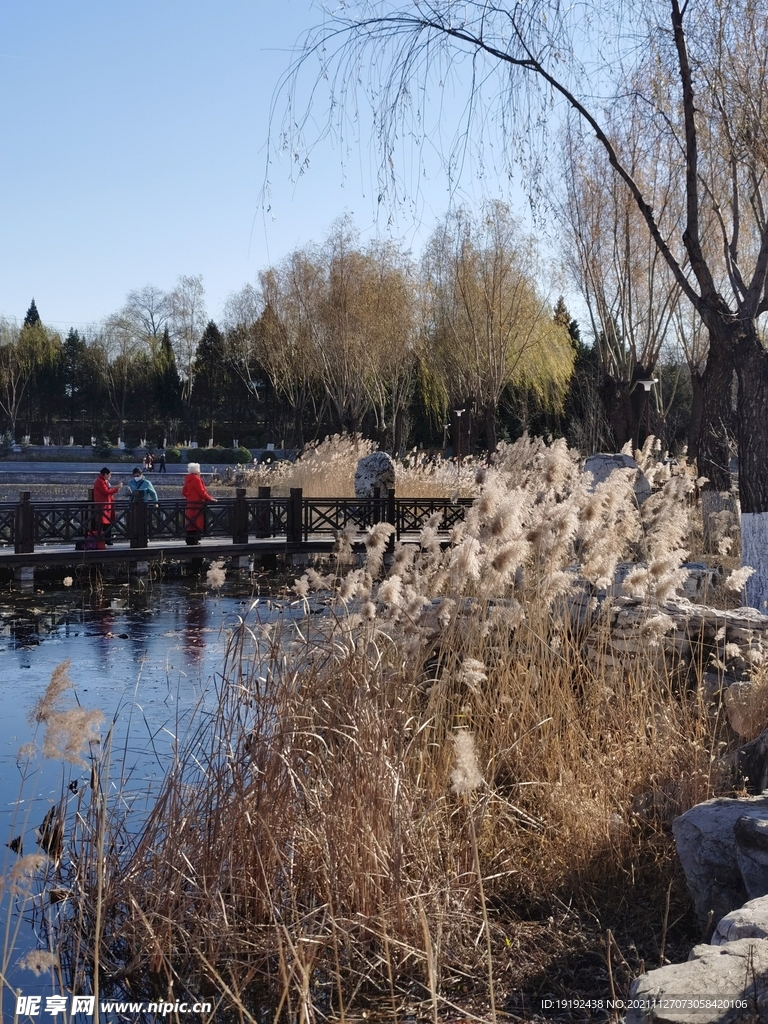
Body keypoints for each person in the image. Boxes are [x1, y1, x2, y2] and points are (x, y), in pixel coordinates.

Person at [182, 462, 216, 545]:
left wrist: (189, 497)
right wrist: (210, 499)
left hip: (190, 503)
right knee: (196, 522)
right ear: (197, 470)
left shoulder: (188, 479)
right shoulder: (197, 479)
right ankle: (194, 540)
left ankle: (189, 539)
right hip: (197, 504)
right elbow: (202, 492)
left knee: (190, 522)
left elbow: (183, 492)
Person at [93, 467, 120, 545]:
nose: (110, 476)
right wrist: (116, 488)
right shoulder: (100, 481)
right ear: (105, 474)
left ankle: (107, 539)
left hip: (107, 504)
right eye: (109, 474)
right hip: (103, 505)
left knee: (107, 522)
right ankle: (104, 540)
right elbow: (106, 491)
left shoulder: (104, 481)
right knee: (103, 522)